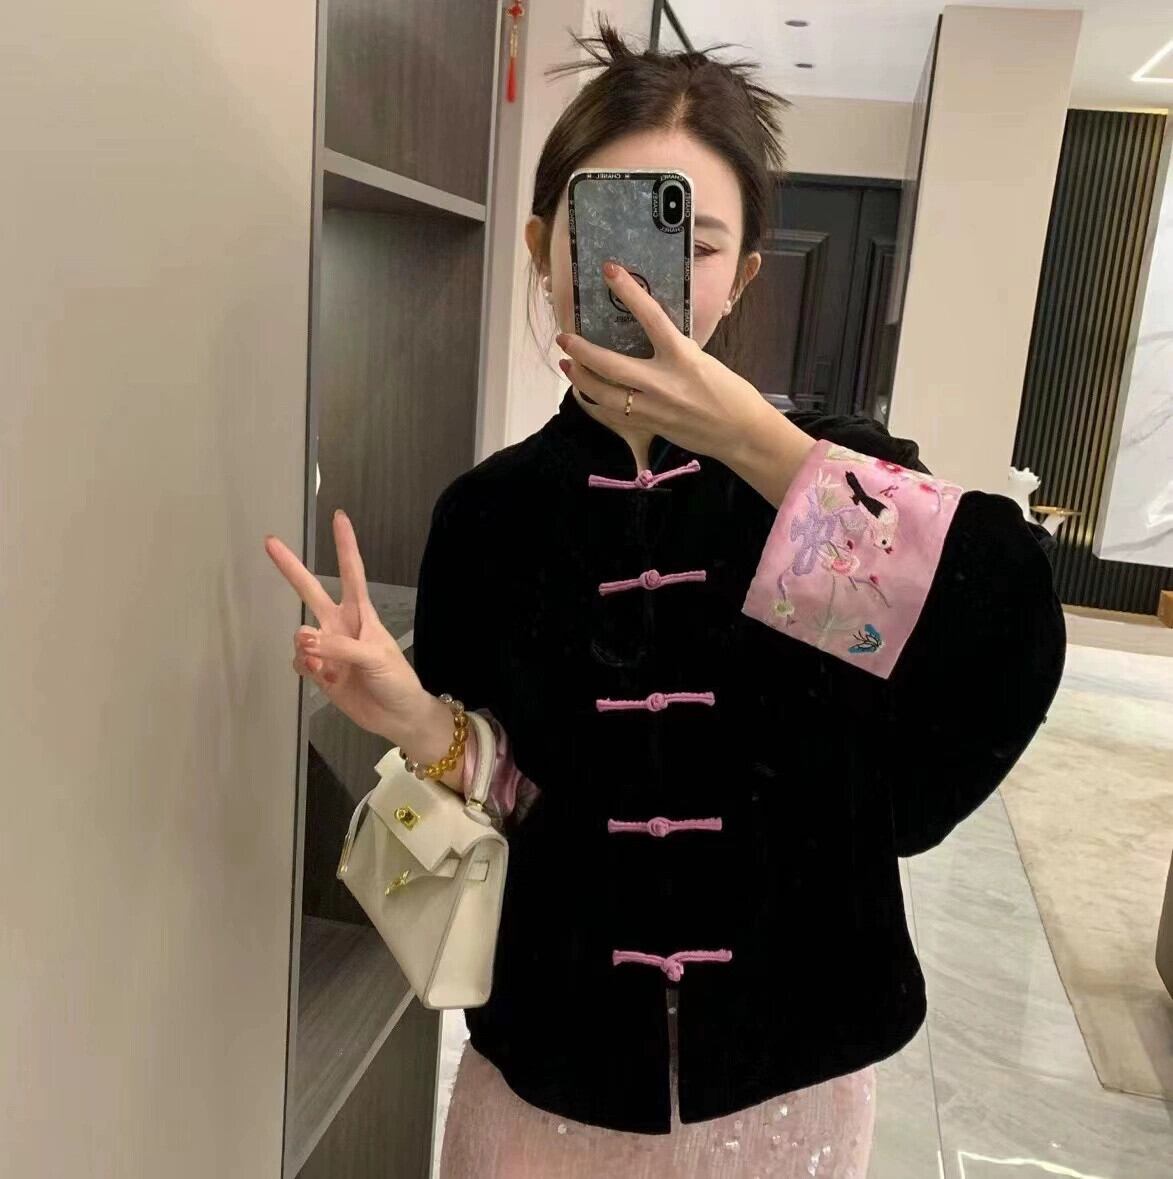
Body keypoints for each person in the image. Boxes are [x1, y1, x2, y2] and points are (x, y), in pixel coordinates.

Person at [265, 17, 1066, 1177]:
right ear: (542, 248)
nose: (638, 276)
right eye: (603, 228)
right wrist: (419, 723)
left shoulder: (820, 489)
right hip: (554, 1079)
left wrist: (758, 447)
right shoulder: (491, 517)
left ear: (743, 277)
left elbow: (993, 647)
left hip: (786, 1088)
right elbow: (508, 812)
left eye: (692, 240)